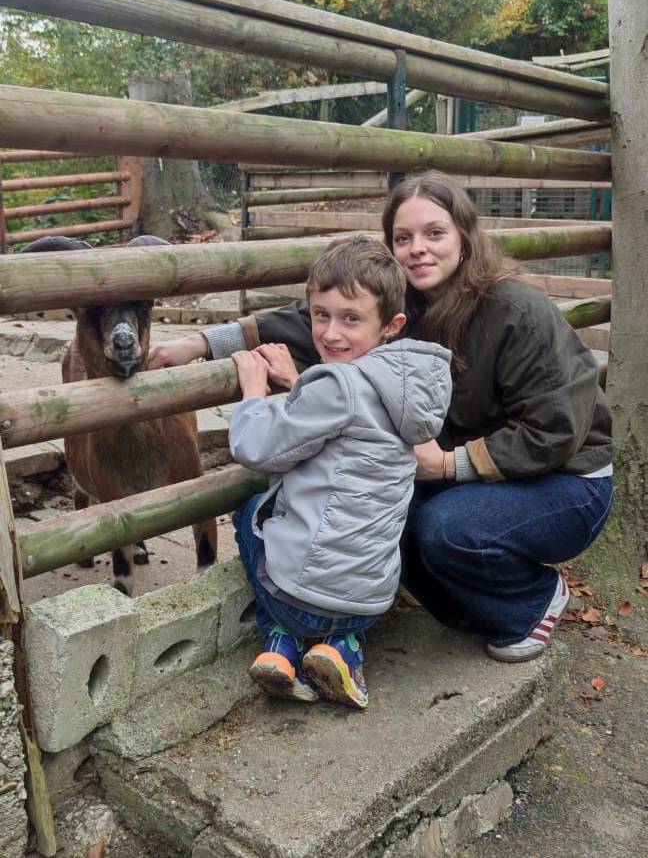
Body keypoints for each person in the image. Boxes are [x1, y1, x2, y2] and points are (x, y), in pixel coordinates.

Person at [149, 171, 614, 665]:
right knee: (374, 515)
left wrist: (448, 465)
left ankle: (533, 598)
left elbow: (555, 430)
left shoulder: (516, 310)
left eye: (434, 233)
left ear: (464, 235)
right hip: (475, 472)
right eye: (402, 237)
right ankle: (463, 604)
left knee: (442, 528)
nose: (418, 249)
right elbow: (315, 320)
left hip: (567, 481)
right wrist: (198, 343)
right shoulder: (404, 302)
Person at [226, 235, 452, 708]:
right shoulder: (409, 386)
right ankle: (343, 649)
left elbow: (257, 448)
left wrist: (252, 392)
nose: (330, 334)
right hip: (369, 601)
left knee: (249, 510)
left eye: (351, 319)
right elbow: (350, 426)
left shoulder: (336, 386)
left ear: (391, 324)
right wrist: (299, 384)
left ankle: (280, 644)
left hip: (300, 599)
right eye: (321, 315)